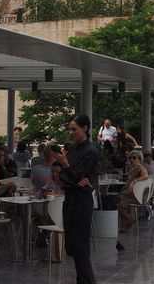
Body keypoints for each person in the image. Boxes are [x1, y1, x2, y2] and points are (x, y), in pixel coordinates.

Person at [54, 115, 99, 284]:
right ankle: (82, 280)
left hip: (82, 201)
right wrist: (72, 176)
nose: (71, 132)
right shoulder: (72, 148)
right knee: (73, 245)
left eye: (74, 129)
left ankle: (87, 281)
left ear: (85, 128)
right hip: (70, 198)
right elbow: (64, 177)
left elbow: (74, 173)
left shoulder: (91, 151)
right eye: (70, 129)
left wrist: (67, 167)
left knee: (80, 245)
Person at [118, 150, 149, 231]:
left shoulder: (140, 168)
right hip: (131, 193)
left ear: (139, 159)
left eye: (134, 158)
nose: (131, 159)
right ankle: (125, 224)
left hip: (137, 195)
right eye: (130, 158)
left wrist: (135, 181)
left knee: (118, 201)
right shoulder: (132, 168)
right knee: (118, 198)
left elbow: (145, 176)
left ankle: (130, 219)